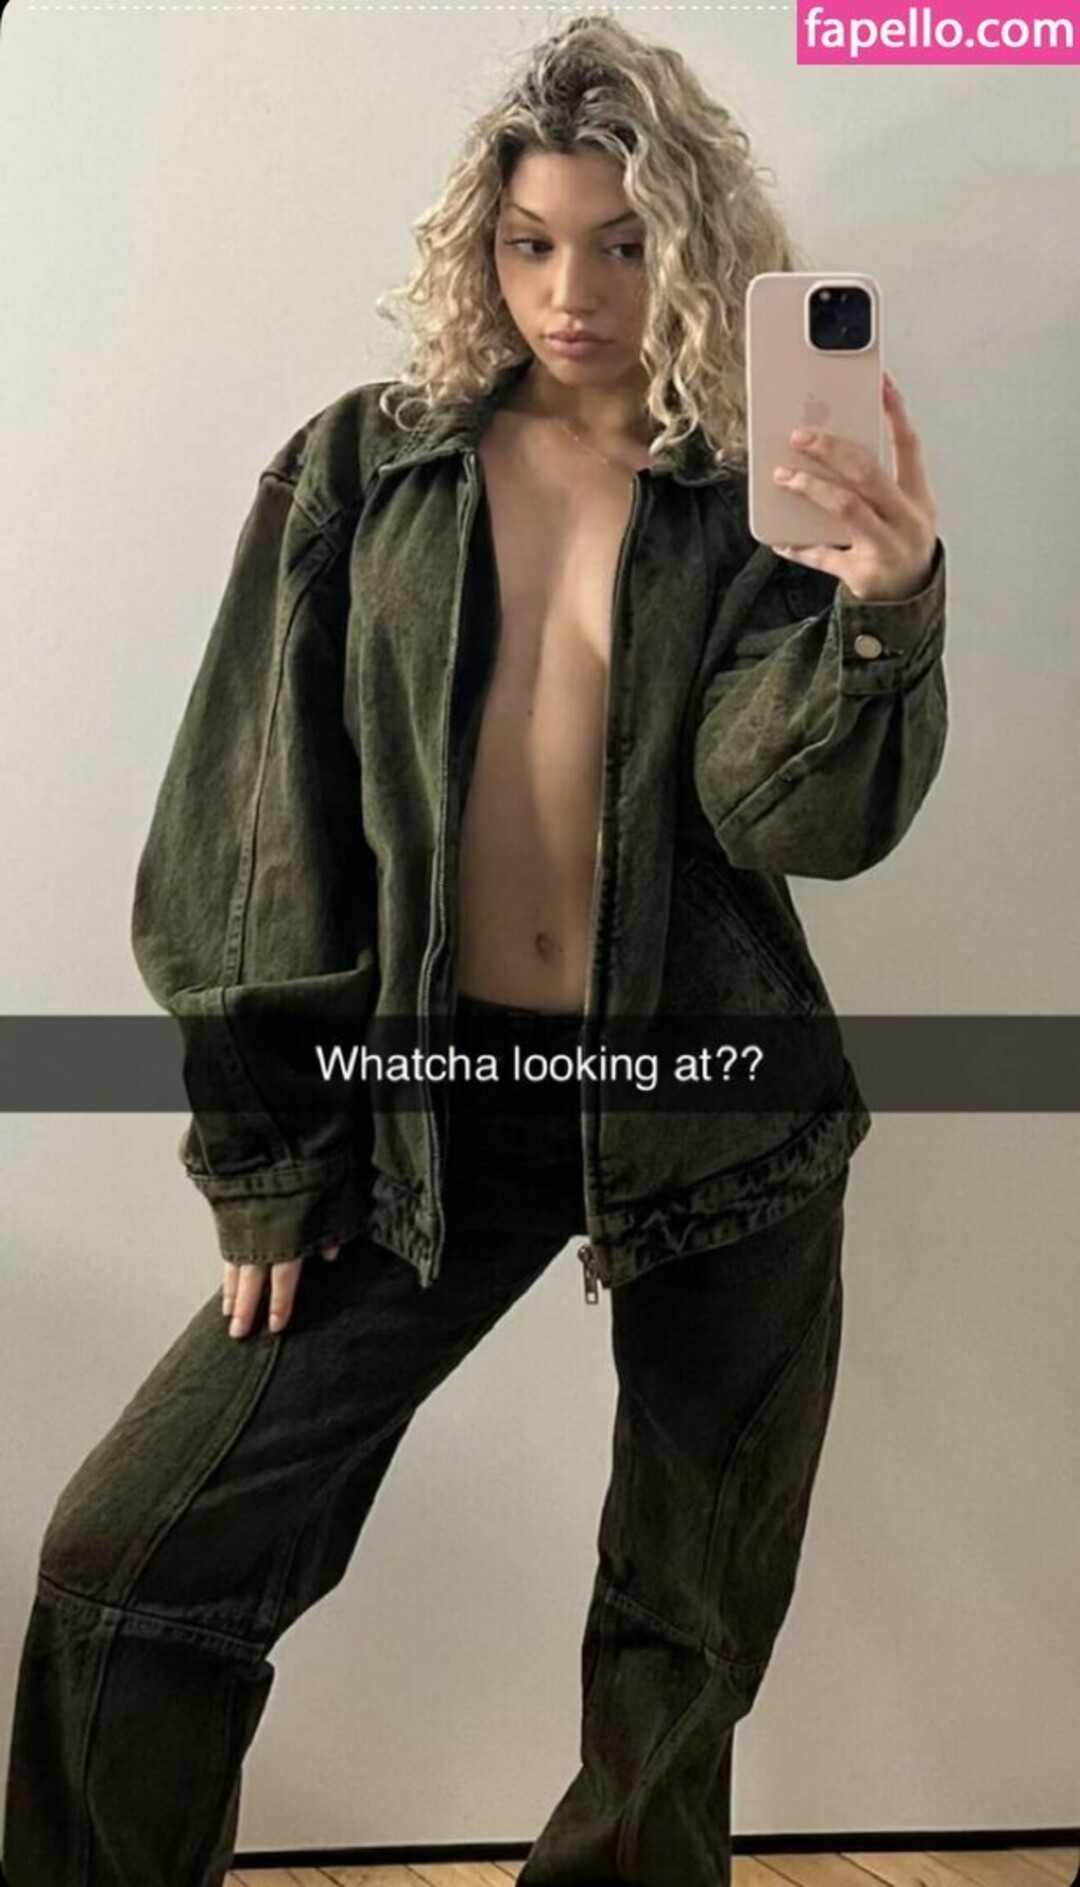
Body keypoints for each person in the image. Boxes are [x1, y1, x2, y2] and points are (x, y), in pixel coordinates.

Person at [1, 13, 947, 1885]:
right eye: (531, 242)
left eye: (620, 243)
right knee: (131, 1560)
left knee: (683, 1633)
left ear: (691, 244)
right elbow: (250, 824)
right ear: (482, 244)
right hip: (432, 1102)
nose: (570, 294)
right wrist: (268, 1158)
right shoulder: (369, 470)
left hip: (721, 1111)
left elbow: (790, 819)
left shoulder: (759, 492)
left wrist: (884, 610)